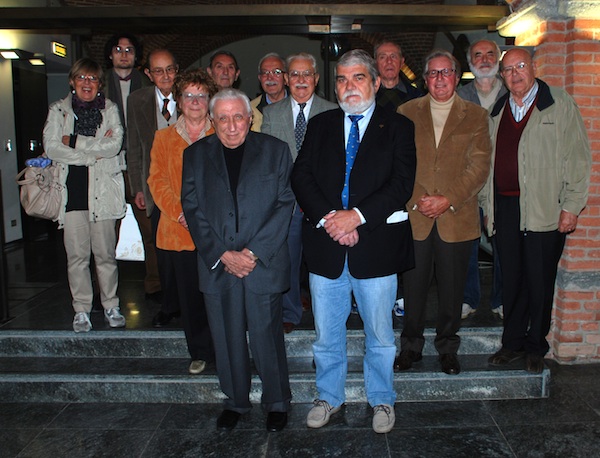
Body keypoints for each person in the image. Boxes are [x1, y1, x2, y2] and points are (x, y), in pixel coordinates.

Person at [291, 49, 416, 433]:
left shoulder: (398, 127)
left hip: (375, 245)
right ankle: (329, 396)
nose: (349, 86)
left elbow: (400, 185)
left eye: (358, 78)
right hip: (327, 246)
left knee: (379, 334)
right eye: (342, 80)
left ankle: (382, 400)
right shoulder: (321, 123)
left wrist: (356, 217)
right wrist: (331, 219)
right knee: (327, 334)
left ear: (376, 82)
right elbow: (301, 177)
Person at [181, 89, 294, 432]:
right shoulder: (195, 155)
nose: (232, 126)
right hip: (218, 264)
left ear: (250, 118)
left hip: (262, 261)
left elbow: (284, 203)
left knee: (265, 335)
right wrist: (222, 253)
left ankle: (276, 401)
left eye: (238, 117)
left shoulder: (275, 151)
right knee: (226, 335)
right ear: (213, 121)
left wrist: (252, 253)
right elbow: (193, 207)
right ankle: (236, 402)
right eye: (224, 118)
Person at [482, 48, 591, 373]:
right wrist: (488, 206)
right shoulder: (498, 109)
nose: (515, 74)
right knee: (511, 279)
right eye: (508, 70)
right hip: (505, 207)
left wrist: (571, 206)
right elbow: (489, 163)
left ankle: (535, 346)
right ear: (502, 76)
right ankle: (512, 342)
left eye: (521, 66)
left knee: (539, 281)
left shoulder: (558, 103)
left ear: (533, 67)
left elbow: (579, 157)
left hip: (545, 209)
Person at [396, 50, 491, 376]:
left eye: (446, 72)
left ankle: (448, 347)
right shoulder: (406, 111)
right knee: (413, 288)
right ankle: (410, 346)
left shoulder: (476, 116)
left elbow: (479, 166)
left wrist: (447, 198)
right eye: (433, 73)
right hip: (416, 216)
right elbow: (399, 162)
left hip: (457, 216)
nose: (439, 78)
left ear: (456, 75)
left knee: (452, 291)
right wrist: (421, 198)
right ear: (425, 78)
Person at [43, 57, 126, 333]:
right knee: (77, 258)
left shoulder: (110, 109)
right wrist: (91, 155)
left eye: (92, 79)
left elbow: (114, 145)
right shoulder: (58, 111)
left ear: (99, 84)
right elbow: (53, 148)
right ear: (72, 81)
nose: (87, 83)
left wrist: (77, 142)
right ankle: (81, 310)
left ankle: (111, 305)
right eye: (81, 78)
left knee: (105, 255)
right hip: (72, 195)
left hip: (103, 192)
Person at [147, 69, 216, 375]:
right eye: (188, 95)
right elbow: (157, 180)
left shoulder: (223, 133)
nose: (195, 101)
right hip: (178, 230)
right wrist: (180, 212)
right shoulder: (163, 138)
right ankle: (198, 352)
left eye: (202, 95)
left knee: (218, 296)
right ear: (178, 100)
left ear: (210, 100)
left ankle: (224, 349)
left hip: (217, 232)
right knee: (189, 297)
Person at [262, 52, 337, 333]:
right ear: (286, 79)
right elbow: (268, 164)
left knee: (323, 263)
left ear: (316, 79)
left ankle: (326, 316)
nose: (301, 80)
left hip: (323, 203)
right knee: (288, 261)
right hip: (287, 205)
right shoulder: (270, 114)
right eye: (294, 74)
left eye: (307, 74)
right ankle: (290, 313)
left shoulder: (333, 112)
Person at [103, 33, 160, 301]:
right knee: (105, 234)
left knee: (150, 230)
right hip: (108, 167)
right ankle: (106, 291)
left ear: (136, 56)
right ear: (110, 54)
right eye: (118, 49)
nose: (123, 54)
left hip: (141, 165)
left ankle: (154, 284)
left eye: (129, 50)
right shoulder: (99, 83)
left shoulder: (147, 84)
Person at [127, 49, 180, 327]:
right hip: (154, 188)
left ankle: (188, 300)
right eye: (158, 71)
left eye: (169, 69)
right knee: (162, 248)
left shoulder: (189, 97)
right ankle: (168, 300)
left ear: (177, 70)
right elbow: (134, 148)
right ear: (148, 74)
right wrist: (137, 187)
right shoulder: (136, 101)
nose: (165, 76)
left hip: (187, 189)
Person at [457, 39, 506, 320]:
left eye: (490, 54)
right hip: (468, 180)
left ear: (498, 58)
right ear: (470, 61)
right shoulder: (460, 95)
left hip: (502, 180)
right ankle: (468, 298)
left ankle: (502, 298)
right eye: (478, 55)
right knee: (467, 242)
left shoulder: (512, 92)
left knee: (504, 244)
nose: (485, 59)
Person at [374, 41, 422, 114]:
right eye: (382, 57)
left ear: (402, 62)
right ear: (375, 63)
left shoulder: (417, 97)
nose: (389, 61)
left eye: (393, 56)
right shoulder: (366, 96)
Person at [250, 52, 288, 132]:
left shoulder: (299, 105)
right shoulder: (250, 109)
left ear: (286, 77)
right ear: (259, 78)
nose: (270, 78)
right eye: (265, 73)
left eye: (276, 72)